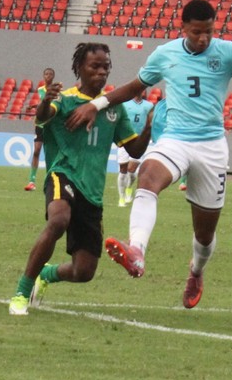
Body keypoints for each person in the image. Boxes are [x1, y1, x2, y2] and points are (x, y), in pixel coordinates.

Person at [66, 0, 232, 309]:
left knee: (204, 235)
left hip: (211, 147)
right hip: (175, 140)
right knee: (147, 176)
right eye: (197, 32)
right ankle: (136, 250)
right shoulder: (165, 54)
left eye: (208, 31)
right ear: (183, 28)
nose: (204, 38)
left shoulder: (228, 52)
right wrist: (96, 104)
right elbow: (132, 87)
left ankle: (196, 271)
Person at [8, 43, 152, 316]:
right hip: (63, 174)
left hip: (92, 191)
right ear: (80, 68)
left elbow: (134, 150)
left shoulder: (114, 108)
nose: (101, 72)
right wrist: (45, 101)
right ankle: (21, 293)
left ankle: (46, 275)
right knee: (58, 220)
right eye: (94, 66)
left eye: (106, 67)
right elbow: (43, 116)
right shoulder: (65, 99)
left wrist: (148, 129)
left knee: (83, 271)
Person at [116, 88, 153, 206]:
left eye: (143, 90)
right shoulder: (125, 104)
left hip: (139, 141)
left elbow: (150, 121)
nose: (141, 91)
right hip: (125, 139)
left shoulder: (149, 106)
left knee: (131, 171)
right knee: (123, 170)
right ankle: (121, 198)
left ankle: (129, 188)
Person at [24, 67, 56, 191]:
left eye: (50, 74)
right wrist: (33, 106)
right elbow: (42, 103)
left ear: (53, 76)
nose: (48, 76)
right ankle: (31, 181)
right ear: (43, 76)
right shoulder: (40, 90)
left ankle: (51, 180)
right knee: (36, 151)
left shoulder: (56, 91)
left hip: (51, 125)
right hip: (40, 124)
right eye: (46, 74)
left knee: (50, 154)